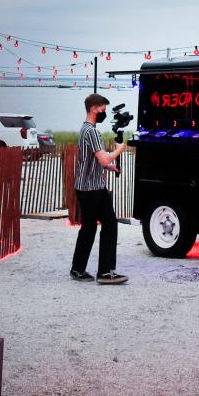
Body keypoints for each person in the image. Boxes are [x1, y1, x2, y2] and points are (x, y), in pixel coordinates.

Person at [70, 93, 128, 285]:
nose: (104, 111)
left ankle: (78, 269)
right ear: (94, 107)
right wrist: (121, 148)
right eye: (103, 107)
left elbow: (94, 160)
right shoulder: (92, 132)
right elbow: (103, 158)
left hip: (86, 187)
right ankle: (105, 272)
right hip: (93, 189)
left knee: (89, 228)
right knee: (108, 225)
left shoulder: (84, 129)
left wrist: (109, 166)